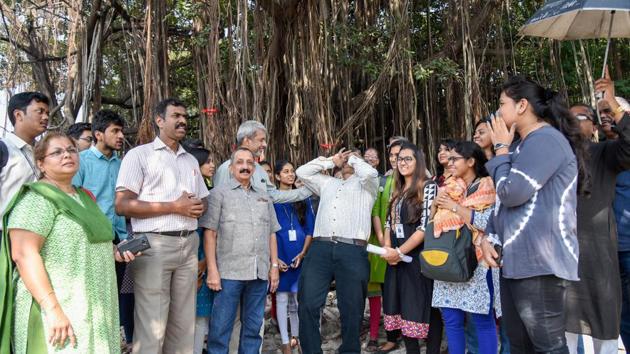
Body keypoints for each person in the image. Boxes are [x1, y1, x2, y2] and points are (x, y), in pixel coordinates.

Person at [480, 76, 590, 354]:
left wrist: (501, 149)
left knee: (548, 347)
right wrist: (487, 238)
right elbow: (501, 205)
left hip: (541, 261)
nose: (498, 113)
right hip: (516, 260)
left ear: (522, 106)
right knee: (519, 343)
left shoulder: (546, 141)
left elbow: (512, 192)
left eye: (502, 104)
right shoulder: (521, 145)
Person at [0, 132, 136, 353]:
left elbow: (92, 241)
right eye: (57, 152)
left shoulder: (84, 197)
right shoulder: (36, 199)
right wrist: (53, 309)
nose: (67, 155)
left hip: (96, 304)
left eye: (71, 150)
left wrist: (117, 252)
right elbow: (24, 255)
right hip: (61, 305)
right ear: (41, 164)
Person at [115, 98, 209, 354]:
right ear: (159, 120)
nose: (182, 121)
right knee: (152, 326)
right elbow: (122, 205)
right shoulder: (139, 155)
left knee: (183, 326)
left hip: (188, 243)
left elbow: (201, 200)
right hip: (154, 245)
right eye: (176, 115)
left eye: (185, 116)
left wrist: (197, 207)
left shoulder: (190, 160)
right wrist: (174, 207)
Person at [565, 69, 630, 354]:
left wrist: (613, 104)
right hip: (563, 252)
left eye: (578, 118)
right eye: (566, 120)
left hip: (598, 251)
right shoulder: (554, 157)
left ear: (593, 126)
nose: (571, 124)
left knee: (605, 322)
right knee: (564, 326)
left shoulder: (606, 153)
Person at [296, 147, 379, 354]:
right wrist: (330, 161)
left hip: (352, 250)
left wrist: (354, 159)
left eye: (355, 158)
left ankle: (350, 351)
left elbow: (369, 172)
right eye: (347, 157)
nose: (349, 161)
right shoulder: (327, 183)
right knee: (307, 302)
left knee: (352, 309)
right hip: (320, 248)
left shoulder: (368, 184)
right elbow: (302, 172)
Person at [201, 147, 281, 354]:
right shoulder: (218, 194)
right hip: (229, 273)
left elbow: (271, 233)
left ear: (254, 167)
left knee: (254, 329)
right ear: (231, 167)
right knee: (220, 329)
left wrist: (274, 267)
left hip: (259, 272)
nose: (245, 167)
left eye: (249, 163)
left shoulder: (264, 197)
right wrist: (212, 270)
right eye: (240, 162)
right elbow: (210, 234)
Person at [431, 141, 499, 354]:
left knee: (482, 319)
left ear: (471, 161)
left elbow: (488, 222)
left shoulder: (488, 186)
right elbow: (431, 223)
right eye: (448, 158)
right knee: (451, 319)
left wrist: (453, 207)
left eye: (454, 159)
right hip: (448, 257)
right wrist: (435, 205)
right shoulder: (447, 187)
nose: (448, 162)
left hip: (477, 258)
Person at [71, 109, 131, 344]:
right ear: (98, 134)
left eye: (121, 131)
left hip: (119, 239)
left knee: (112, 296)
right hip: (92, 239)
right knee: (89, 298)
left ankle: (109, 344)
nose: (120, 136)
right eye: (114, 131)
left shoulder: (124, 164)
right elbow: (74, 202)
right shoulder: (81, 161)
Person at [379, 142, 442, 354]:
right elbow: (388, 222)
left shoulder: (428, 186)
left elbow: (425, 227)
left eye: (408, 158)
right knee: (403, 310)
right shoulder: (396, 189)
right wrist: (388, 249)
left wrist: (399, 251)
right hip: (396, 260)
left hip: (418, 260)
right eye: (399, 159)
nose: (402, 163)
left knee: (426, 308)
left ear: (418, 161)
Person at [367, 138, 406, 352]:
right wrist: (383, 240)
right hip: (384, 245)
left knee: (407, 291)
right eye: (392, 155)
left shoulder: (413, 181)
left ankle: (411, 332)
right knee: (388, 291)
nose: (395, 159)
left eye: (399, 155)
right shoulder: (382, 181)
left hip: (408, 245)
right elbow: (375, 211)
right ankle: (391, 336)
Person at [273, 160, 315, 354]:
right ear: (276, 176)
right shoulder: (272, 199)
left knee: (297, 300)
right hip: (280, 253)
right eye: (286, 171)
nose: (291, 175)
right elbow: (268, 230)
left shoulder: (302, 198)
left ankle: (296, 339)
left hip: (299, 253)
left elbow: (309, 230)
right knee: (281, 298)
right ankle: (284, 342)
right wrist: (274, 259)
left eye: (292, 172)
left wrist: (303, 253)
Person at [0, 92, 49, 223]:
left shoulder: (43, 153)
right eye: (40, 111)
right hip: (5, 235)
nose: (45, 117)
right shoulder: (3, 148)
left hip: (36, 233)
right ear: (18, 115)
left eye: (47, 113)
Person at [185, 146, 215, 354]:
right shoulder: (190, 191)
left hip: (206, 252)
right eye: (207, 162)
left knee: (201, 314)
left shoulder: (211, 190)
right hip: (191, 249)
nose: (212, 165)